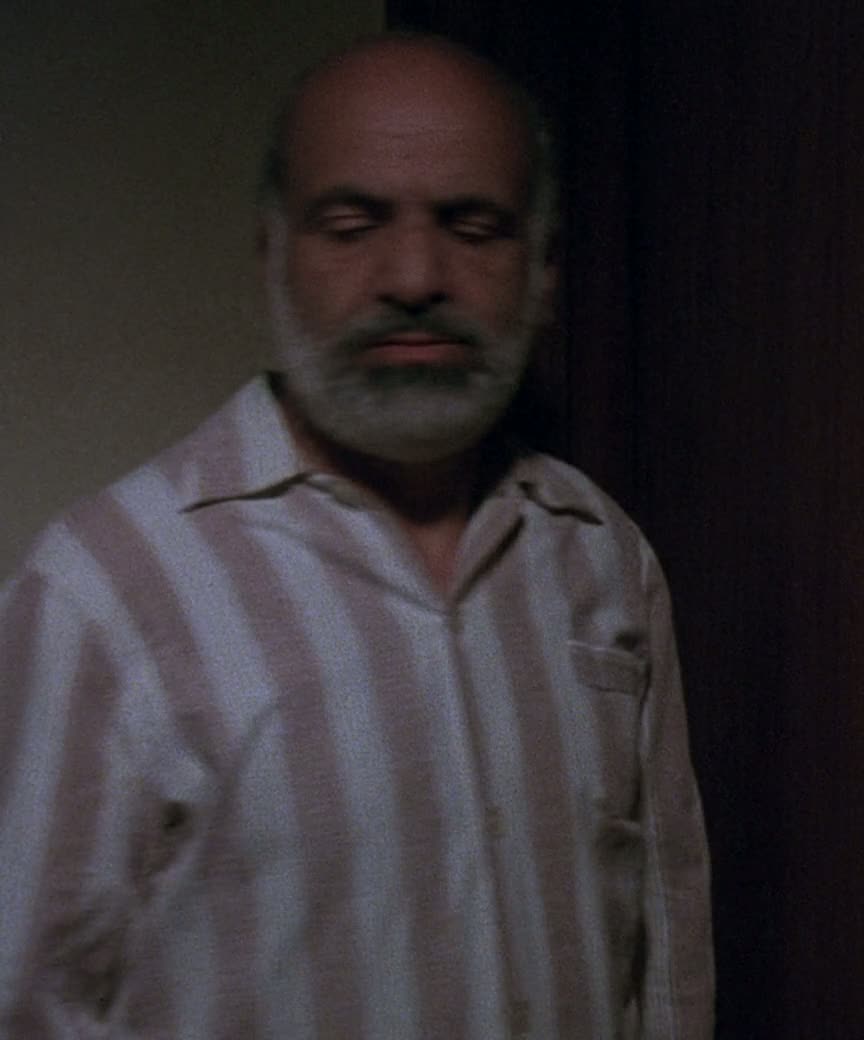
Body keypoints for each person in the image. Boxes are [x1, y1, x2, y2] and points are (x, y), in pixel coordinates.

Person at [0, 33, 713, 1039]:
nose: (414, 275)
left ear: (545, 269)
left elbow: (666, 958)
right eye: (352, 224)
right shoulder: (104, 592)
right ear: (273, 255)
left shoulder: (602, 556)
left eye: (473, 226)